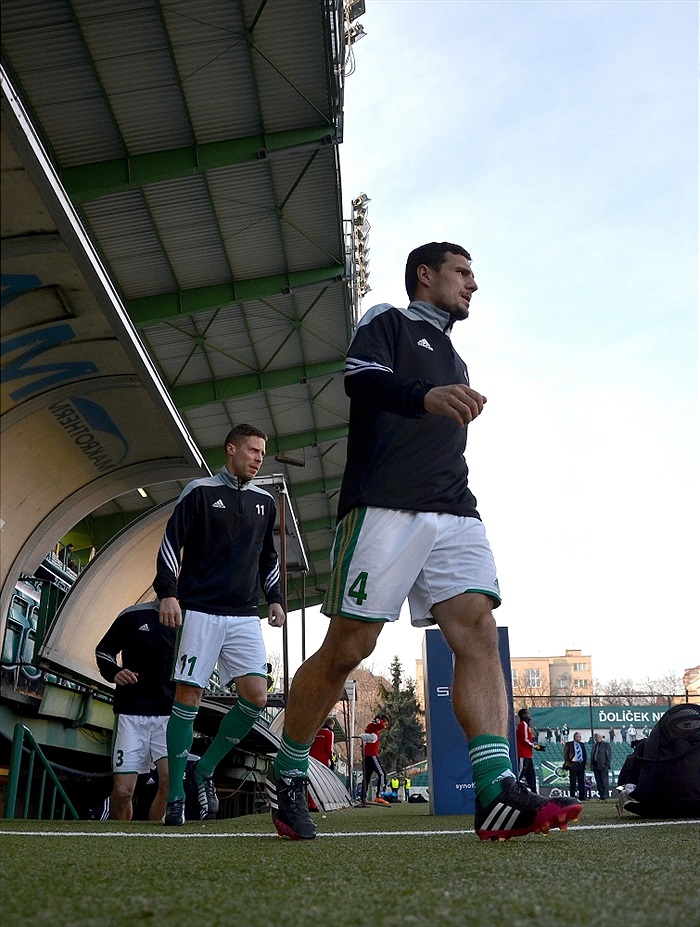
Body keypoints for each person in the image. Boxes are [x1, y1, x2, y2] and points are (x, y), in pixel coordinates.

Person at [265, 241, 582, 841]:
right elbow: (359, 378)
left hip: (454, 508)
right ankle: (288, 775)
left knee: (478, 632)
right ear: (425, 275)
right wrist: (423, 396)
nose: (473, 284)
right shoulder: (388, 320)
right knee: (349, 648)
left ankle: (495, 792)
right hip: (384, 505)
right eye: (463, 273)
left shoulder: (458, 362)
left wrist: (445, 399)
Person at [155, 423, 286, 826]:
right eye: (251, 450)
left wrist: (277, 599)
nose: (257, 458)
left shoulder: (266, 502)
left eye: (262, 453)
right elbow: (170, 542)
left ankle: (205, 768)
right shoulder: (199, 491)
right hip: (200, 610)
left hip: (245, 614)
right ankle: (176, 793)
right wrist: (168, 593)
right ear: (231, 449)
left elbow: (268, 559)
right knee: (189, 696)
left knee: (256, 698)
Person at [95, 600, 175, 821]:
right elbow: (104, 651)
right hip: (131, 713)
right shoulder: (133, 615)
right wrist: (113, 672)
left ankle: (153, 843)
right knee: (122, 792)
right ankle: (120, 841)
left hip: (169, 716)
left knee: (169, 782)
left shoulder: (190, 619)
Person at [359, 715, 390, 807]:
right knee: (382, 774)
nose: (385, 727)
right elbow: (380, 725)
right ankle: (379, 795)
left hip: (367, 755)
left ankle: (363, 797)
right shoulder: (375, 727)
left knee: (367, 777)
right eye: (386, 724)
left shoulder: (371, 728)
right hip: (372, 755)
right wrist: (380, 721)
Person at [516, 707, 539, 792]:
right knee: (520, 774)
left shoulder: (527, 726)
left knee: (531, 775)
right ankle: (514, 790)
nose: (530, 715)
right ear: (524, 715)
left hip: (528, 755)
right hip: (523, 754)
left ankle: (535, 794)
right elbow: (524, 739)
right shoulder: (523, 724)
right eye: (528, 714)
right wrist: (535, 746)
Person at [564, 732, 588, 802]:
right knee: (573, 781)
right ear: (575, 737)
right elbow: (566, 754)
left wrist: (584, 763)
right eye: (579, 737)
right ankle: (572, 796)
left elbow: (584, 754)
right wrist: (569, 764)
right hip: (573, 764)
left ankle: (582, 796)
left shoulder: (582, 744)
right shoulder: (569, 744)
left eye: (580, 737)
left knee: (581, 781)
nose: (580, 738)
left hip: (580, 765)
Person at [590, 733, 612, 800]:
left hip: (603, 766)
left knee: (604, 781)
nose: (596, 739)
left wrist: (606, 764)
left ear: (600, 737)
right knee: (598, 782)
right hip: (596, 766)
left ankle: (605, 795)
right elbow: (593, 755)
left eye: (597, 737)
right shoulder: (594, 746)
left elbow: (608, 755)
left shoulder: (606, 745)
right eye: (595, 738)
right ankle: (601, 795)